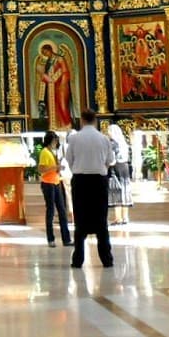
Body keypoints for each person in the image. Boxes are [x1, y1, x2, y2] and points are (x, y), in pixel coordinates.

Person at [63, 109, 112, 268]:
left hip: (81, 181)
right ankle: (106, 258)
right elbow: (110, 161)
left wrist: (79, 169)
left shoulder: (74, 139)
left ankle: (78, 259)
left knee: (81, 220)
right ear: (95, 120)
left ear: (82, 120)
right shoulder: (104, 139)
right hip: (99, 181)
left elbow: (69, 160)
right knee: (101, 220)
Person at [37, 131, 71, 248]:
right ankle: (50, 238)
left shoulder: (52, 152)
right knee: (51, 211)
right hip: (48, 184)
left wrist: (58, 168)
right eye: (55, 140)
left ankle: (66, 239)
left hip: (56, 182)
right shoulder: (44, 152)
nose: (57, 143)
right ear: (51, 140)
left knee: (62, 211)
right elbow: (41, 169)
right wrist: (55, 167)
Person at [107, 121, 132, 226]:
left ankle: (118, 218)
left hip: (116, 168)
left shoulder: (112, 143)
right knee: (125, 192)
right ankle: (125, 217)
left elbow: (112, 160)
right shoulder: (123, 142)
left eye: (108, 131)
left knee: (116, 192)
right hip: (125, 168)